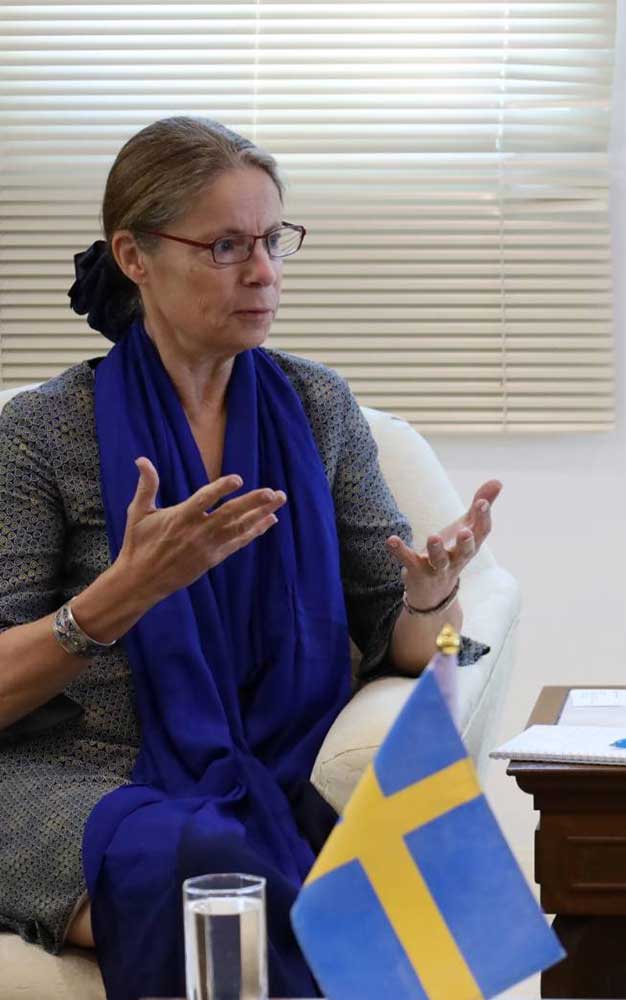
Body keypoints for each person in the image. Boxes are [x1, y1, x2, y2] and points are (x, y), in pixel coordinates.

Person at [0, 116, 500, 999]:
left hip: (282, 753)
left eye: (273, 241)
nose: (264, 272)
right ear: (134, 256)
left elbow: (417, 649)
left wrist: (430, 600)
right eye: (227, 245)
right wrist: (119, 597)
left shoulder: (317, 406)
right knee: (215, 856)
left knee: (392, 836)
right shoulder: (41, 434)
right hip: (68, 777)